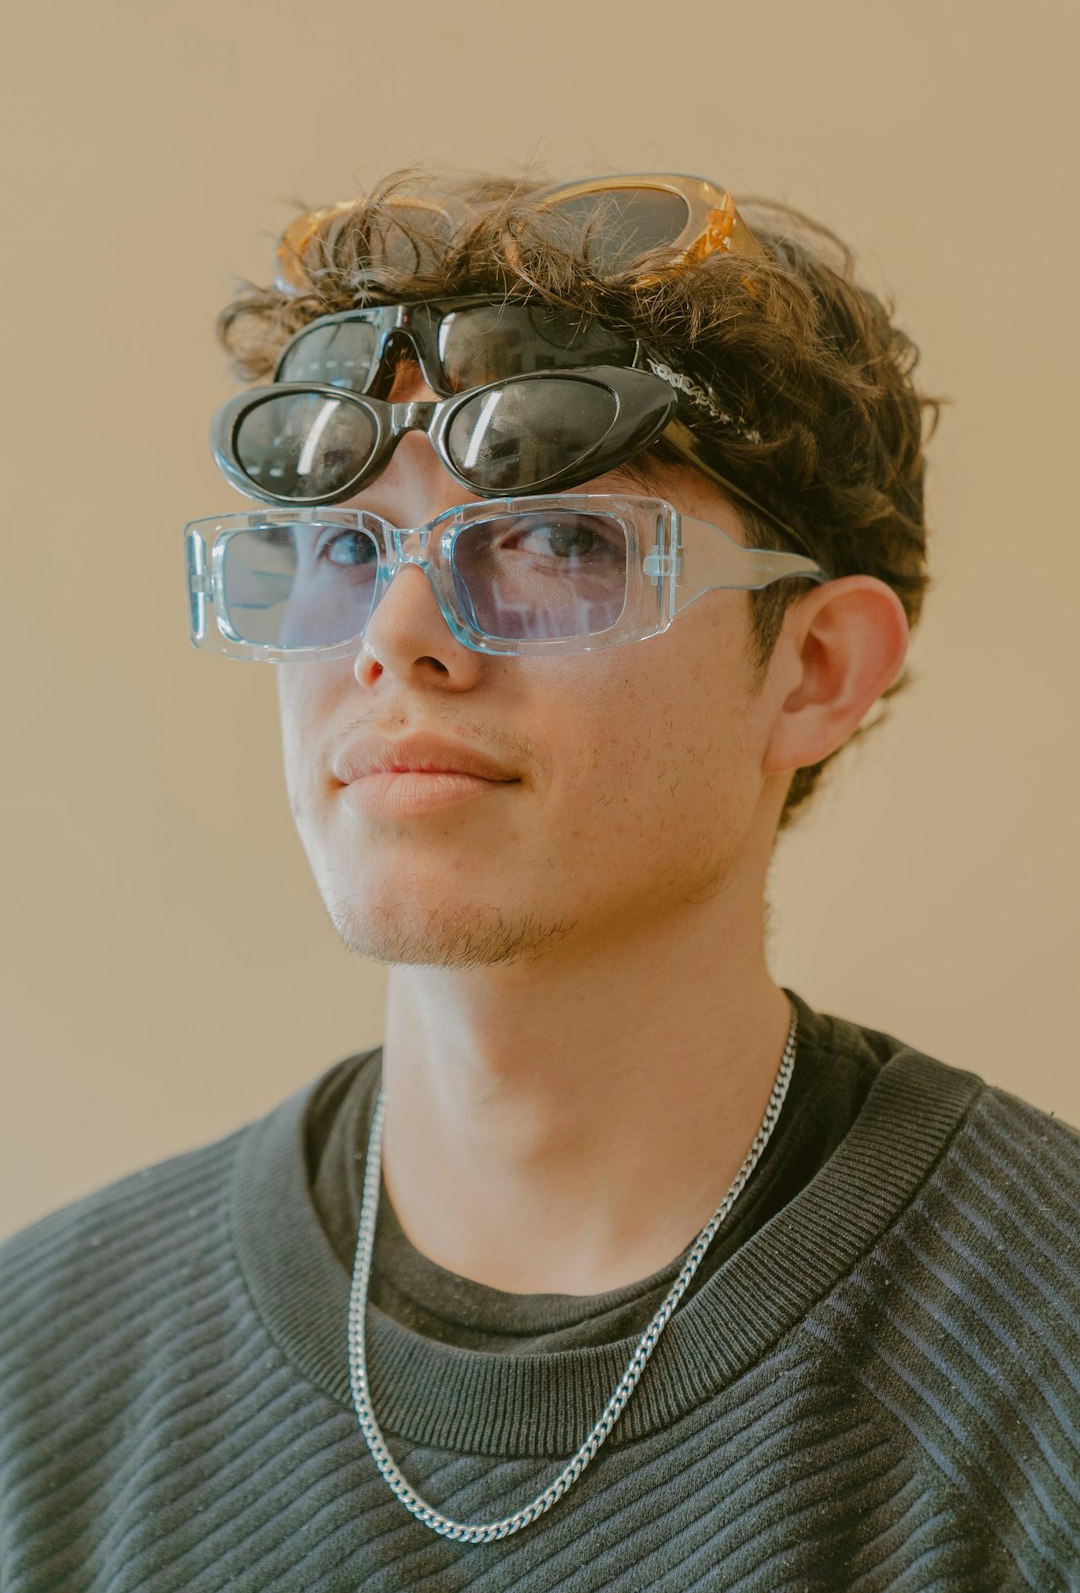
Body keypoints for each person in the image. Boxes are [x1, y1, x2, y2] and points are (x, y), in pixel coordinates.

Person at [2, 172, 1077, 1592]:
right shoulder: (47, 1366)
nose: (397, 636)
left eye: (552, 541)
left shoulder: (1041, 1373)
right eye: (341, 544)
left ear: (814, 672)